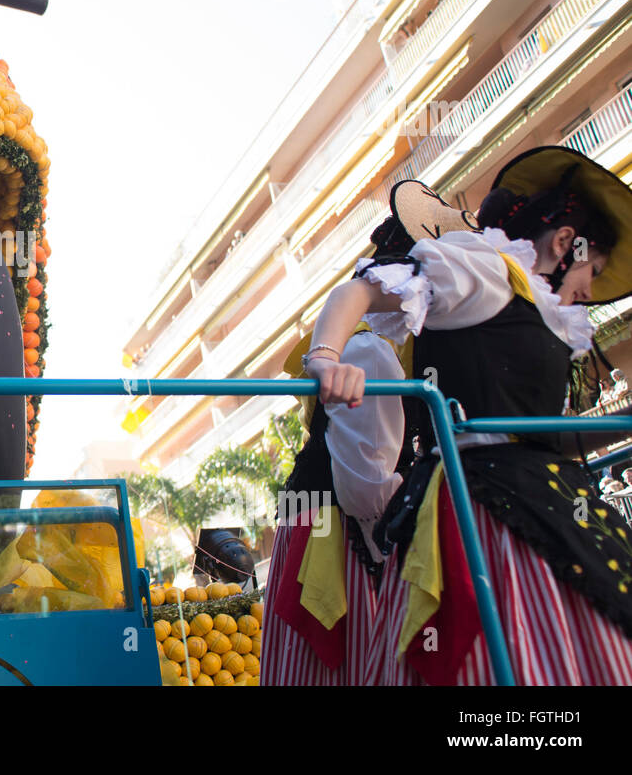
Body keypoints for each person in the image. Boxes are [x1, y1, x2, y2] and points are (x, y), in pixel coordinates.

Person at [306, 146, 632, 685]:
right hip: (480, 510)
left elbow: (542, 441)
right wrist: (326, 359)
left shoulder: (541, 312)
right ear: (564, 244)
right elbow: (359, 290)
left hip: (547, 501)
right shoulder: (482, 270)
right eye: (592, 269)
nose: (591, 289)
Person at [262, 188, 475, 685]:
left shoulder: (371, 346)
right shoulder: (373, 352)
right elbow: (366, 489)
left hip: (321, 524)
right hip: (338, 537)